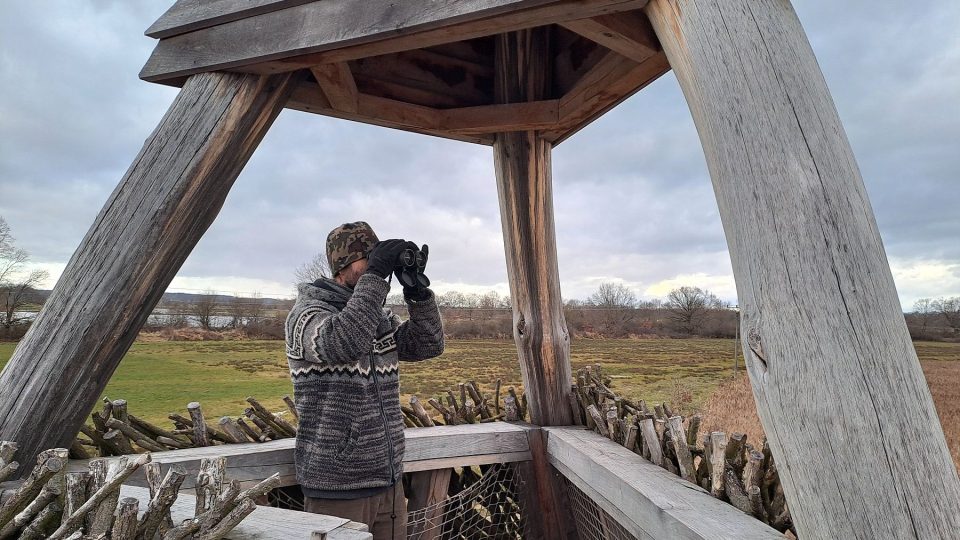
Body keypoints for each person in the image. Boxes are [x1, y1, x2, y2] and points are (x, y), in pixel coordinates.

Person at [285, 221, 444, 540]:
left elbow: (428, 343)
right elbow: (345, 340)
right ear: (343, 265)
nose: (376, 266)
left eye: (378, 259)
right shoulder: (307, 317)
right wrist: (376, 277)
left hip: (388, 479)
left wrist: (417, 291)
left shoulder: (377, 317)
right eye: (367, 260)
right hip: (338, 486)